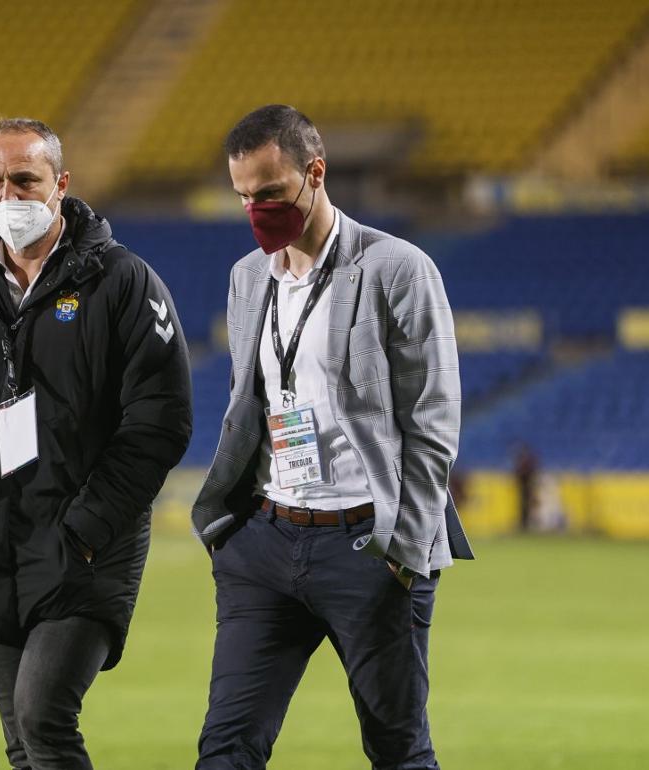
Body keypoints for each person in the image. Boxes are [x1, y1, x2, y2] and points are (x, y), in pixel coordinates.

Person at [0, 117, 192, 770]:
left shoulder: (123, 281)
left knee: (43, 717)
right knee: (23, 745)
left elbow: (161, 421)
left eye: (24, 180)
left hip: (84, 550)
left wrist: (85, 529)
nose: (8, 196)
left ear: (61, 184)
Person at [191, 105, 474, 770]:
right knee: (225, 749)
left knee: (398, 751)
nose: (257, 209)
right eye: (243, 197)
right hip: (266, 543)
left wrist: (403, 553)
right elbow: (251, 406)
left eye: (270, 192)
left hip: (369, 547)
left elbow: (434, 420)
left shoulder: (397, 268)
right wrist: (233, 534)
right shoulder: (247, 277)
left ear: (315, 173)